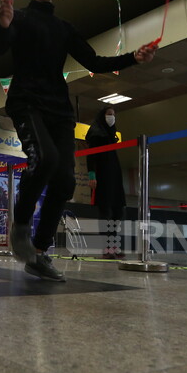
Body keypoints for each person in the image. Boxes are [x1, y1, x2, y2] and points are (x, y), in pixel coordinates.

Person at [0, 0, 156, 281]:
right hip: (26, 102)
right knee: (45, 159)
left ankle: (39, 252)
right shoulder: (20, 18)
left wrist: (132, 58)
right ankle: (21, 227)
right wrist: (4, 24)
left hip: (60, 110)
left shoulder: (64, 28)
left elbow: (94, 60)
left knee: (65, 180)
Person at [86, 107, 126, 259]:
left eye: (114, 115)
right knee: (106, 213)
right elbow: (90, 156)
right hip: (102, 176)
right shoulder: (96, 132)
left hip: (115, 175)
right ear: (102, 116)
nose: (112, 117)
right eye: (109, 114)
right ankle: (107, 248)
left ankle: (114, 246)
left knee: (118, 211)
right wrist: (91, 175)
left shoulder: (111, 134)